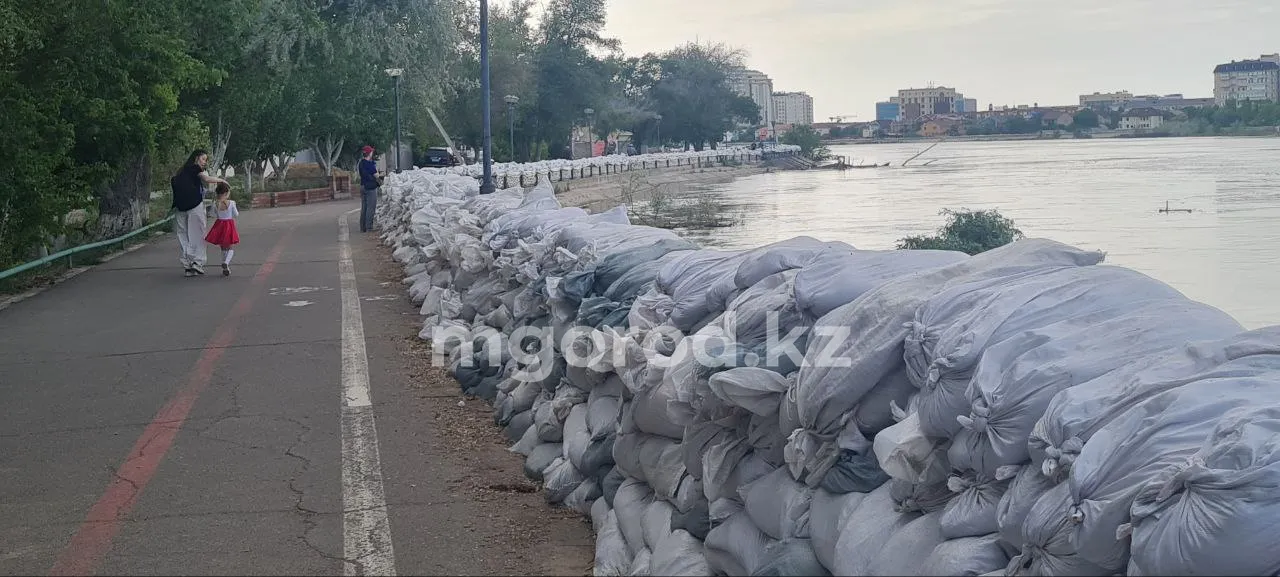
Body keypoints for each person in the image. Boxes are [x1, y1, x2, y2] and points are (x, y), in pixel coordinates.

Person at [171, 150, 229, 276]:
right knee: (198, 234)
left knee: (183, 235)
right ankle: (197, 262)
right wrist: (221, 180)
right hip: (194, 205)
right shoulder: (195, 168)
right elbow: (207, 179)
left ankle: (187, 265)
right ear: (196, 158)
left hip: (180, 207)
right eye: (203, 159)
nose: (204, 162)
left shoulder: (180, 172)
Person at [204, 183, 240, 276]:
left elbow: (212, 214)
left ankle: (225, 267)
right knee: (230, 247)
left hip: (219, 225)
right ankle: (226, 263)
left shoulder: (215, 204)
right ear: (226, 193)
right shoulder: (231, 203)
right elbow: (236, 214)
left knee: (223, 247)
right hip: (229, 225)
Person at [358, 145, 384, 233]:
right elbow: (376, 175)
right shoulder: (370, 164)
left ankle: (363, 227)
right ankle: (369, 227)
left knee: (364, 207)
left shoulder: (361, 163)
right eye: (371, 152)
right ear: (369, 153)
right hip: (371, 187)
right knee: (371, 207)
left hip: (363, 186)